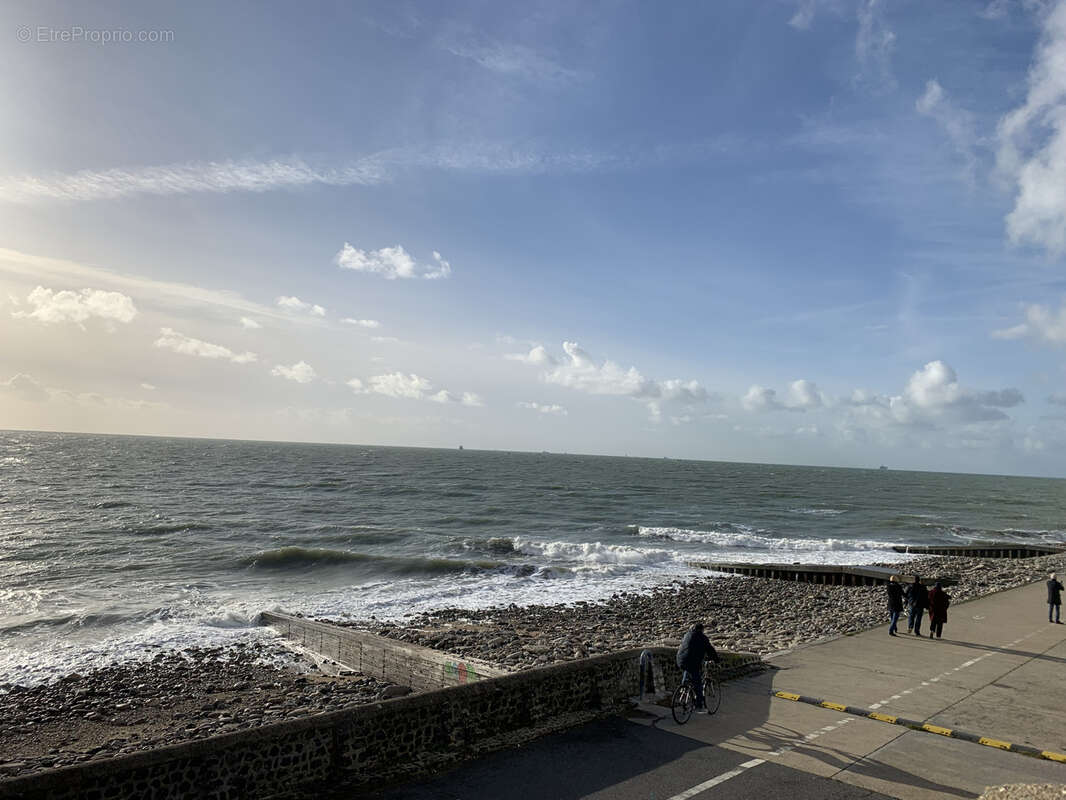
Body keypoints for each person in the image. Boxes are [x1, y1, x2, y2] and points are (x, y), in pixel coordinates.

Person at [676, 622, 719, 714]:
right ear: (702, 630)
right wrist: (716, 660)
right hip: (692, 662)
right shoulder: (703, 638)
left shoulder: (687, 634)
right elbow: (710, 650)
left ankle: (683, 688)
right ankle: (699, 706)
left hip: (680, 659)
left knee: (687, 670)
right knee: (698, 683)